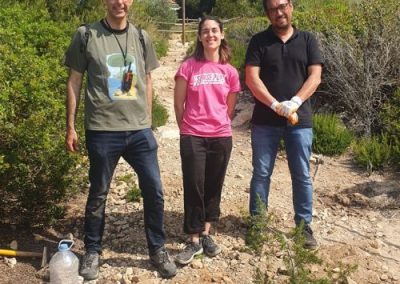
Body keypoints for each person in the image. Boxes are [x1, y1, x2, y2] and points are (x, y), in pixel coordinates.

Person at [64, 0, 176, 279]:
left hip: (139, 131)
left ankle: (157, 249)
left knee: (154, 190)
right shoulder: (86, 35)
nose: (119, 2)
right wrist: (70, 126)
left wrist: (148, 122)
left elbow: (148, 80)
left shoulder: (141, 36)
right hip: (102, 130)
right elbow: (74, 81)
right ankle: (92, 252)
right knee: (99, 193)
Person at [245, 0, 323, 249]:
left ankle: (303, 227)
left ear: (291, 7)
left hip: (300, 121)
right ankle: (257, 223)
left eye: (283, 6)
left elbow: (315, 75)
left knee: (301, 175)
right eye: (273, 9)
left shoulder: (308, 40)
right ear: (267, 14)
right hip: (265, 120)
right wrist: (275, 105)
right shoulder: (259, 41)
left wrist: (296, 101)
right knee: (261, 173)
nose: (279, 12)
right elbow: (251, 78)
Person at [174, 16, 241, 264]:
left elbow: (230, 108)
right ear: (200, 36)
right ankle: (192, 239)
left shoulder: (230, 72)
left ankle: (206, 233)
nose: (210, 35)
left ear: (221, 35)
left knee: (214, 185)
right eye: (205, 31)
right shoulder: (188, 66)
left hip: (221, 136)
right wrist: (187, 130)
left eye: (214, 31)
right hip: (193, 135)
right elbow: (178, 103)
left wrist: (217, 124)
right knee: (194, 185)